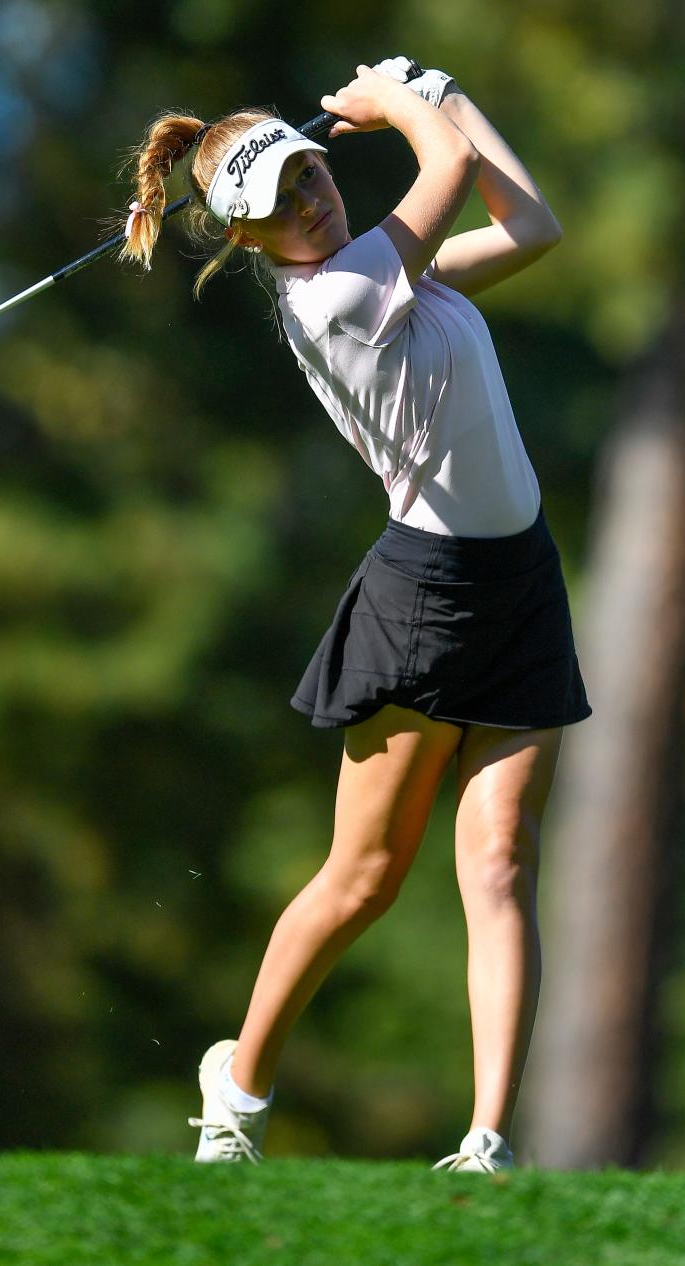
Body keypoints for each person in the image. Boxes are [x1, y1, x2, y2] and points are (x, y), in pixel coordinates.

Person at [121, 57, 591, 1174]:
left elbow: (532, 226)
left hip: (521, 584)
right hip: (423, 601)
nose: (309, 201)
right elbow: (448, 167)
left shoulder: (400, 279)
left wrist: (450, 93)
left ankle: (486, 1143)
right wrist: (401, 104)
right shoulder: (338, 298)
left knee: (503, 862)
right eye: (281, 204)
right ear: (250, 242)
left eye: (308, 174)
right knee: (364, 880)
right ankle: (237, 1093)